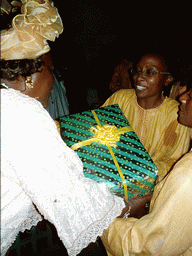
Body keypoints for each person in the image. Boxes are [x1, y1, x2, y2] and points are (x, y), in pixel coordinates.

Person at [1, 1, 128, 255]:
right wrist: (128, 203)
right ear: (30, 76)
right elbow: (77, 203)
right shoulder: (21, 112)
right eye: (52, 69)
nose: (53, 78)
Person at [101, 85, 192, 256]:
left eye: (191, 94)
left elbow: (147, 246)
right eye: (138, 70)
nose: (182, 97)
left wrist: (102, 218)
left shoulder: (188, 174)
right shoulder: (121, 98)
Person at [102, 53, 192, 180]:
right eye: (137, 71)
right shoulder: (119, 99)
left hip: (151, 188)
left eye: (150, 72)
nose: (139, 77)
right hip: (110, 174)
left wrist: (138, 172)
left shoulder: (177, 115)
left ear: (167, 80)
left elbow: (174, 163)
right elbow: (98, 132)